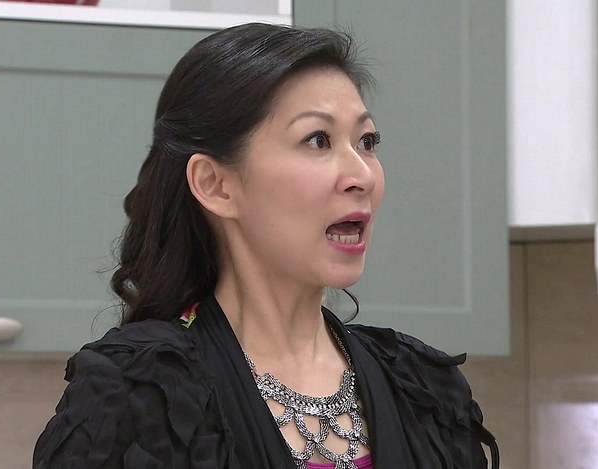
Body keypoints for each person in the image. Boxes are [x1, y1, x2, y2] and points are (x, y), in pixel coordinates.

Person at [33, 22, 498, 469]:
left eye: (367, 141)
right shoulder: (136, 395)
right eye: (318, 140)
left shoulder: (424, 390)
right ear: (215, 185)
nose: (362, 175)